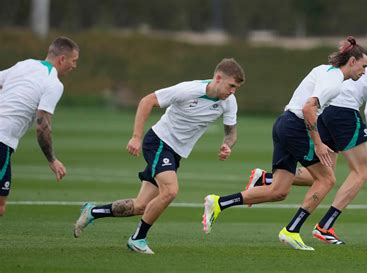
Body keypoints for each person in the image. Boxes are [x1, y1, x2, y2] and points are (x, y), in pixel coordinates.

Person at [202, 37, 367, 251]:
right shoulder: (335, 80)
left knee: (278, 191)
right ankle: (291, 230)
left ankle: (218, 203)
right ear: (352, 61)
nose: (364, 72)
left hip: (284, 123)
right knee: (327, 179)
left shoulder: (326, 70)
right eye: (363, 66)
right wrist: (318, 143)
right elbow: (309, 108)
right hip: (294, 127)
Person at [246, 53, 367, 244]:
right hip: (344, 111)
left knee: (324, 172)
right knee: (362, 172)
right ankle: (324, 226)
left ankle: (266, 178)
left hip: (327, 110)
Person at [73, 58, 245, 254]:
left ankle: (92, 211)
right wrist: (136, 137)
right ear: (218, 78)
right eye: (231, 86)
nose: (232, 91)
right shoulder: (188, 90)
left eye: (236, 88)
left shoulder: (229, 102)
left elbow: (231, 132)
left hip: (175, 153)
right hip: (159, 143)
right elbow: (147, 101)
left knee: (140, 206)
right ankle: (138, 239)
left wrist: (227, 145)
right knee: (170, 191)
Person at [0, 37, 80, 216]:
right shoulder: (53, 84)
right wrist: (52, 160)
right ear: (62, 59)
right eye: (73, 61)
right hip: (2, 140)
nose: (74, 66)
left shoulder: (24, 64)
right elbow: (42, 126)